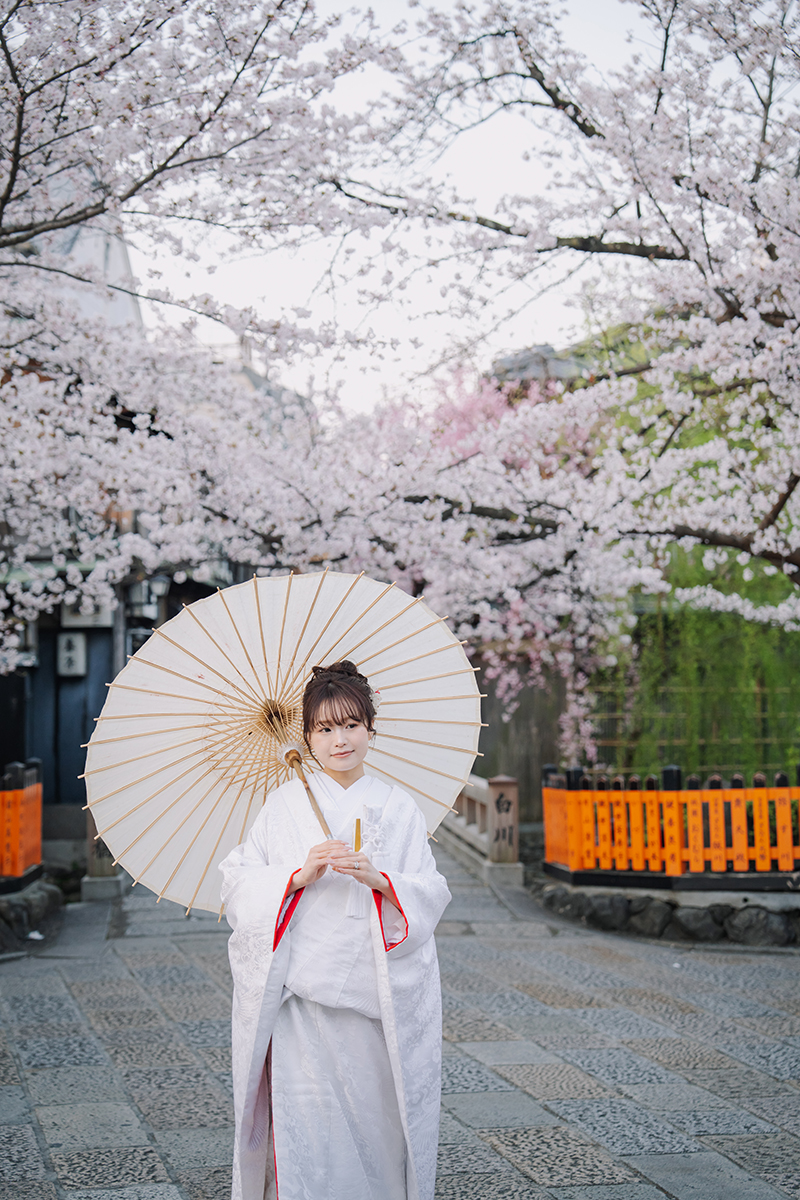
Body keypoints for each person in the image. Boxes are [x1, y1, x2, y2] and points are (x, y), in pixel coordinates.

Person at [219, 660, 452, 1200]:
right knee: (310, 1141)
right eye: (324, 728)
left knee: (375, 1137)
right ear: (306, 737)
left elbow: (432, 891)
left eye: (351, 724)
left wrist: (384, 880)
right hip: (302, 1003)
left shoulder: (399, 808)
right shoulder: (282, 807)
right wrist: (297, 876)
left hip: (374, 1004)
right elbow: (237, 883)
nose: (339, 739)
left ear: (372, 729)